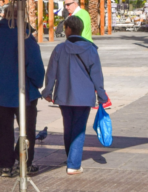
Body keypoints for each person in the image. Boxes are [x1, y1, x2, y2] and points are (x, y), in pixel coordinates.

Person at [0, 4, 45, 177]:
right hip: (24, 92)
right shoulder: (25, 36)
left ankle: (6, 166)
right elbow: (35, 65)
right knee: (27, 130)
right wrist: (37, 83)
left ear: (4, 15)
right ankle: (24, 162)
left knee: (3, 130)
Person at [42, 16, 109, 175]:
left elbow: (51, 73)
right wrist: (101, 95)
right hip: (84, 97)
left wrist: (47, 91)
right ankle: (73, 164)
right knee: (78, 129)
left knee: (69, 128)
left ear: (68, 29)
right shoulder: (91, 50)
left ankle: (71, 158)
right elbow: (97, 76)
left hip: (64, 95)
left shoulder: (59, 49)